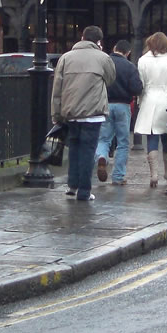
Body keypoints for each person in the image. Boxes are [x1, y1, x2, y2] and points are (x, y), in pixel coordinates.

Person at [50, 26, 115, 202]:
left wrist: (56, 114)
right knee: (87, 151)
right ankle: (84, 191)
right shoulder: (103, 58)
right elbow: (110, 79)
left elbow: (57, 89)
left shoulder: (65, 58)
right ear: (99, 42)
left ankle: (72, 186)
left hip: (70, 112)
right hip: (93, 113)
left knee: (74, 149)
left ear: (82, 37)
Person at [133, 32, 167, 189]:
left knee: (152, 137)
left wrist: (140, 102)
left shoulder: (142, 61)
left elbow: (141, 85)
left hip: (149, 100)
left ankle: (153, 174)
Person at [95, 40, 143, 186]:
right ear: (128, 53)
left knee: (103, 139)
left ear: (114, 48)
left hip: (105, 104)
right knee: (123, 142)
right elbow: (137, 88)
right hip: (123, 105)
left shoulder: (104, 63)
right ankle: (118, 176)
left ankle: (102, 156)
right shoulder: (130, 67)